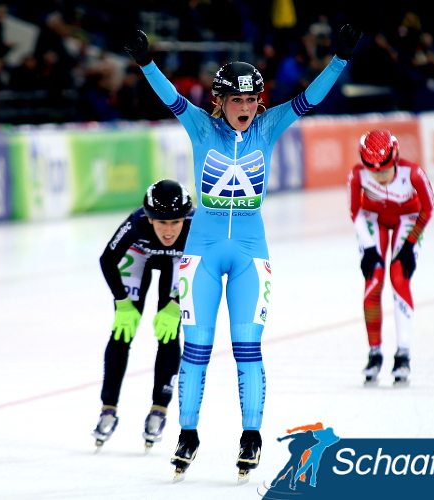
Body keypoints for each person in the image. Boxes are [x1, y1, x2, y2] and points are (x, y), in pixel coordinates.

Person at [124, 23, 362, 477]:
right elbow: (169, 96)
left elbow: (309, 99)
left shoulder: (269, 126)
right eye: (238, 100)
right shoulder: (200, 126)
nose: (246, 109)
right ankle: (188, 433)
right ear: (220, 101)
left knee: (247, 348)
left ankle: (250, 436)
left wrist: (339, 60)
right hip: (203, 251)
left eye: (252, 100)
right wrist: (146, 62)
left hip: (252, 251)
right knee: (196, 349)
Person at [92, 179, 194, 451]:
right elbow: (107, 260)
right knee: (122, 330)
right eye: (161, 222)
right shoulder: (136, 223)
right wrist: (122, 302)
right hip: (140, 254)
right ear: (149, 219)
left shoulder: (197, 226)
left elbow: (203, 269)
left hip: (179, 260)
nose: (169, 230)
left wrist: (175, 303)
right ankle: (108, 408)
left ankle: (159, 410)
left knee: (168, 332)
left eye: (176, 222)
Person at [347, 129, 434, 384]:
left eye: (384, 170)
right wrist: (369, 249)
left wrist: (409, 245)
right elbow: (355, 211)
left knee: (399, 278)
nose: (379, 176)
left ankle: (403, 354)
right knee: (373, 282)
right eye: (373, 172)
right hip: (373, 219)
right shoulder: (357, 174)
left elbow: (428, 208)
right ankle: (374, 353)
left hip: (408, 219)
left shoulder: (413, 173)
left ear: (395, 160)